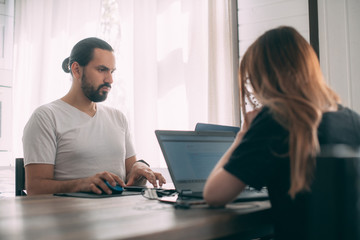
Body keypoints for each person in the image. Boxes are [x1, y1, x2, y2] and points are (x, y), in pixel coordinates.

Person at [203, 26, 360, 239]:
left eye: (251, 80)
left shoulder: (276, 119)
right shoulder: (351, 119)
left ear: (264, 78)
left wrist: (242, 137)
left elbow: (214, 194)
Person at [23, 37, 166, 196]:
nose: (110, 79)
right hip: (70, 217)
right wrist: (83, 183)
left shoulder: (118, 118)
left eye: (112, 71)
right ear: (76, 70)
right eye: (102, 70)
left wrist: (139, 169)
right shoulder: (46, 117)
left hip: (121, 213)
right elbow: (35, 189)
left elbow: (131, 174)